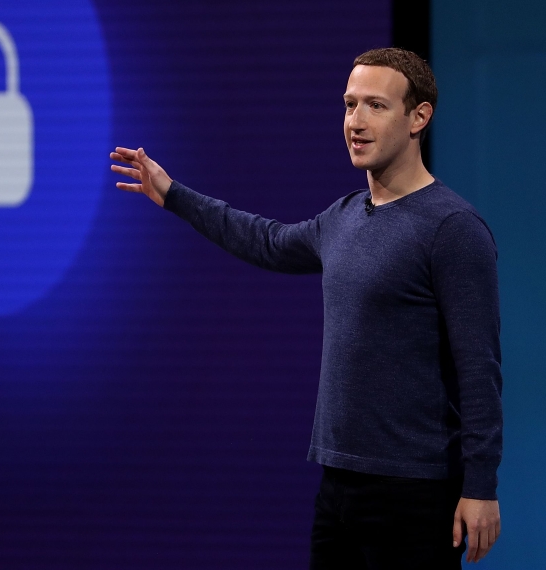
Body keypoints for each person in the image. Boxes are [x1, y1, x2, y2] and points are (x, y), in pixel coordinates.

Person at [110, 48, 502, 568]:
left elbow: (479, 370)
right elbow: (267, 241)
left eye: (376, 106)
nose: (355, 123)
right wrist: (174, 193)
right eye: (348, 105)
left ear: (419, 117)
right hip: (337, 484)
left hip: (415, 491)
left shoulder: (452, 229)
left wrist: (481, 486)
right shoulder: (343, 216)